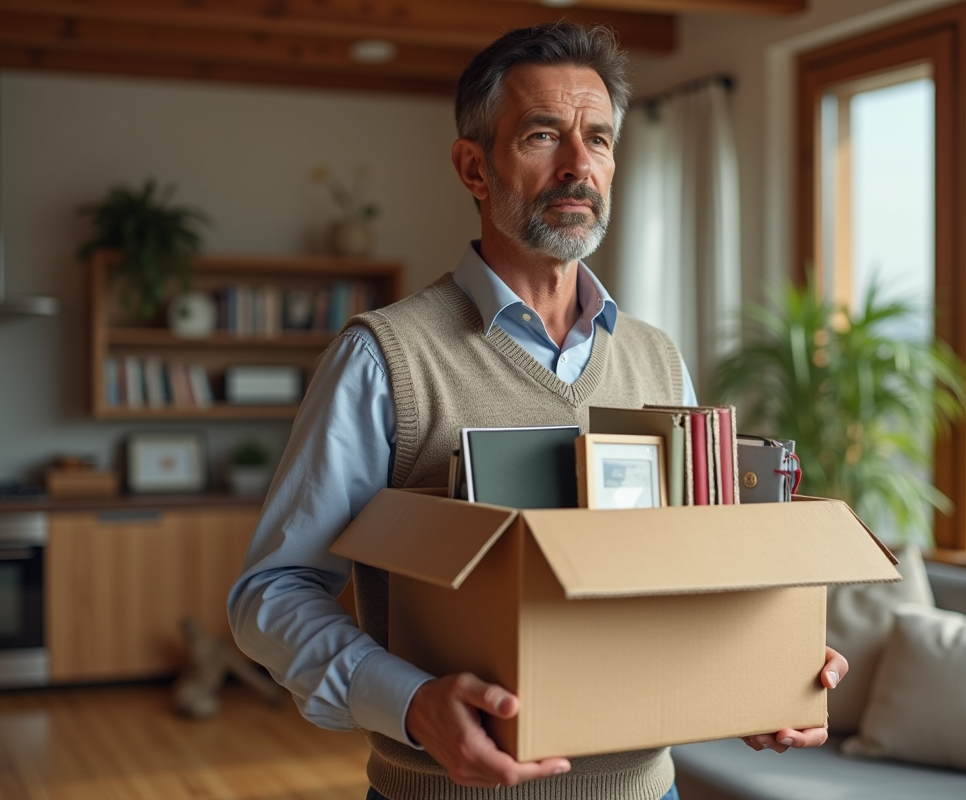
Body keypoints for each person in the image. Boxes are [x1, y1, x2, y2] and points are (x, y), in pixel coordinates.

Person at [228, 21, 848, 800]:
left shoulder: (658, 360)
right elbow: (273, 593)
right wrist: (414, 705)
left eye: (598, 138)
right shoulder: (383, 358)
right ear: (473, 166)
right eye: (543, 136)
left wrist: (768, 669)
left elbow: (696, 572)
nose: (578, 166)